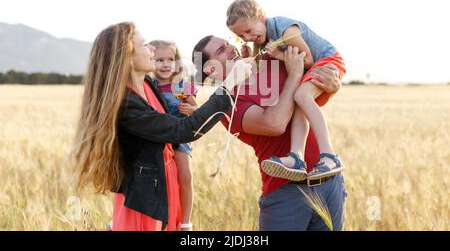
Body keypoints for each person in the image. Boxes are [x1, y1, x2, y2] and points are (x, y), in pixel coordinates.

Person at [71, 22, 251, 231]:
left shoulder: (147, 85)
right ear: (127, 59)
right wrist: (228, 84)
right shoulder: (127, 105)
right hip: (146, 204)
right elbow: (183, 130)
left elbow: (181, 122)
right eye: (145, 45)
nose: (153, 49)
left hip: (167, 188)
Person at [192, 35, 346, 230]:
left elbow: (314, 80)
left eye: (228, 43)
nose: (231, 48)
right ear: (210, 70)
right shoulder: (227, 104)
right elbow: (275, 124)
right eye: (221, 51)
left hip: (328, 179)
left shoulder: (271, 61)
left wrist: (333, 85)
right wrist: (294, 75)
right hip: (285, 192)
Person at [226, 0, 346, 181]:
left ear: (260, 17)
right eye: (242, 37)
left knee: (301, 96)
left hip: (327, 61)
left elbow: (308, 60)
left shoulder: (286, 30)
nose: (248, 38)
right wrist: (249, 58)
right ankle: (296, 156)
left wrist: (281, 55)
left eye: (249, 31)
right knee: (300, 102)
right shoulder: (263, 38)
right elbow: (261, 66)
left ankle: (329, 155)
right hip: (313, 68)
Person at [149, 40, 197, 231]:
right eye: (159, 60)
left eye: (170, 59)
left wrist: (190, 110)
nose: (166, 64)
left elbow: (196, 110)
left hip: (179, 136)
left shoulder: (181, 86)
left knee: (185, 176)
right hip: (156, 138)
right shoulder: (148, 85)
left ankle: (185, 222)